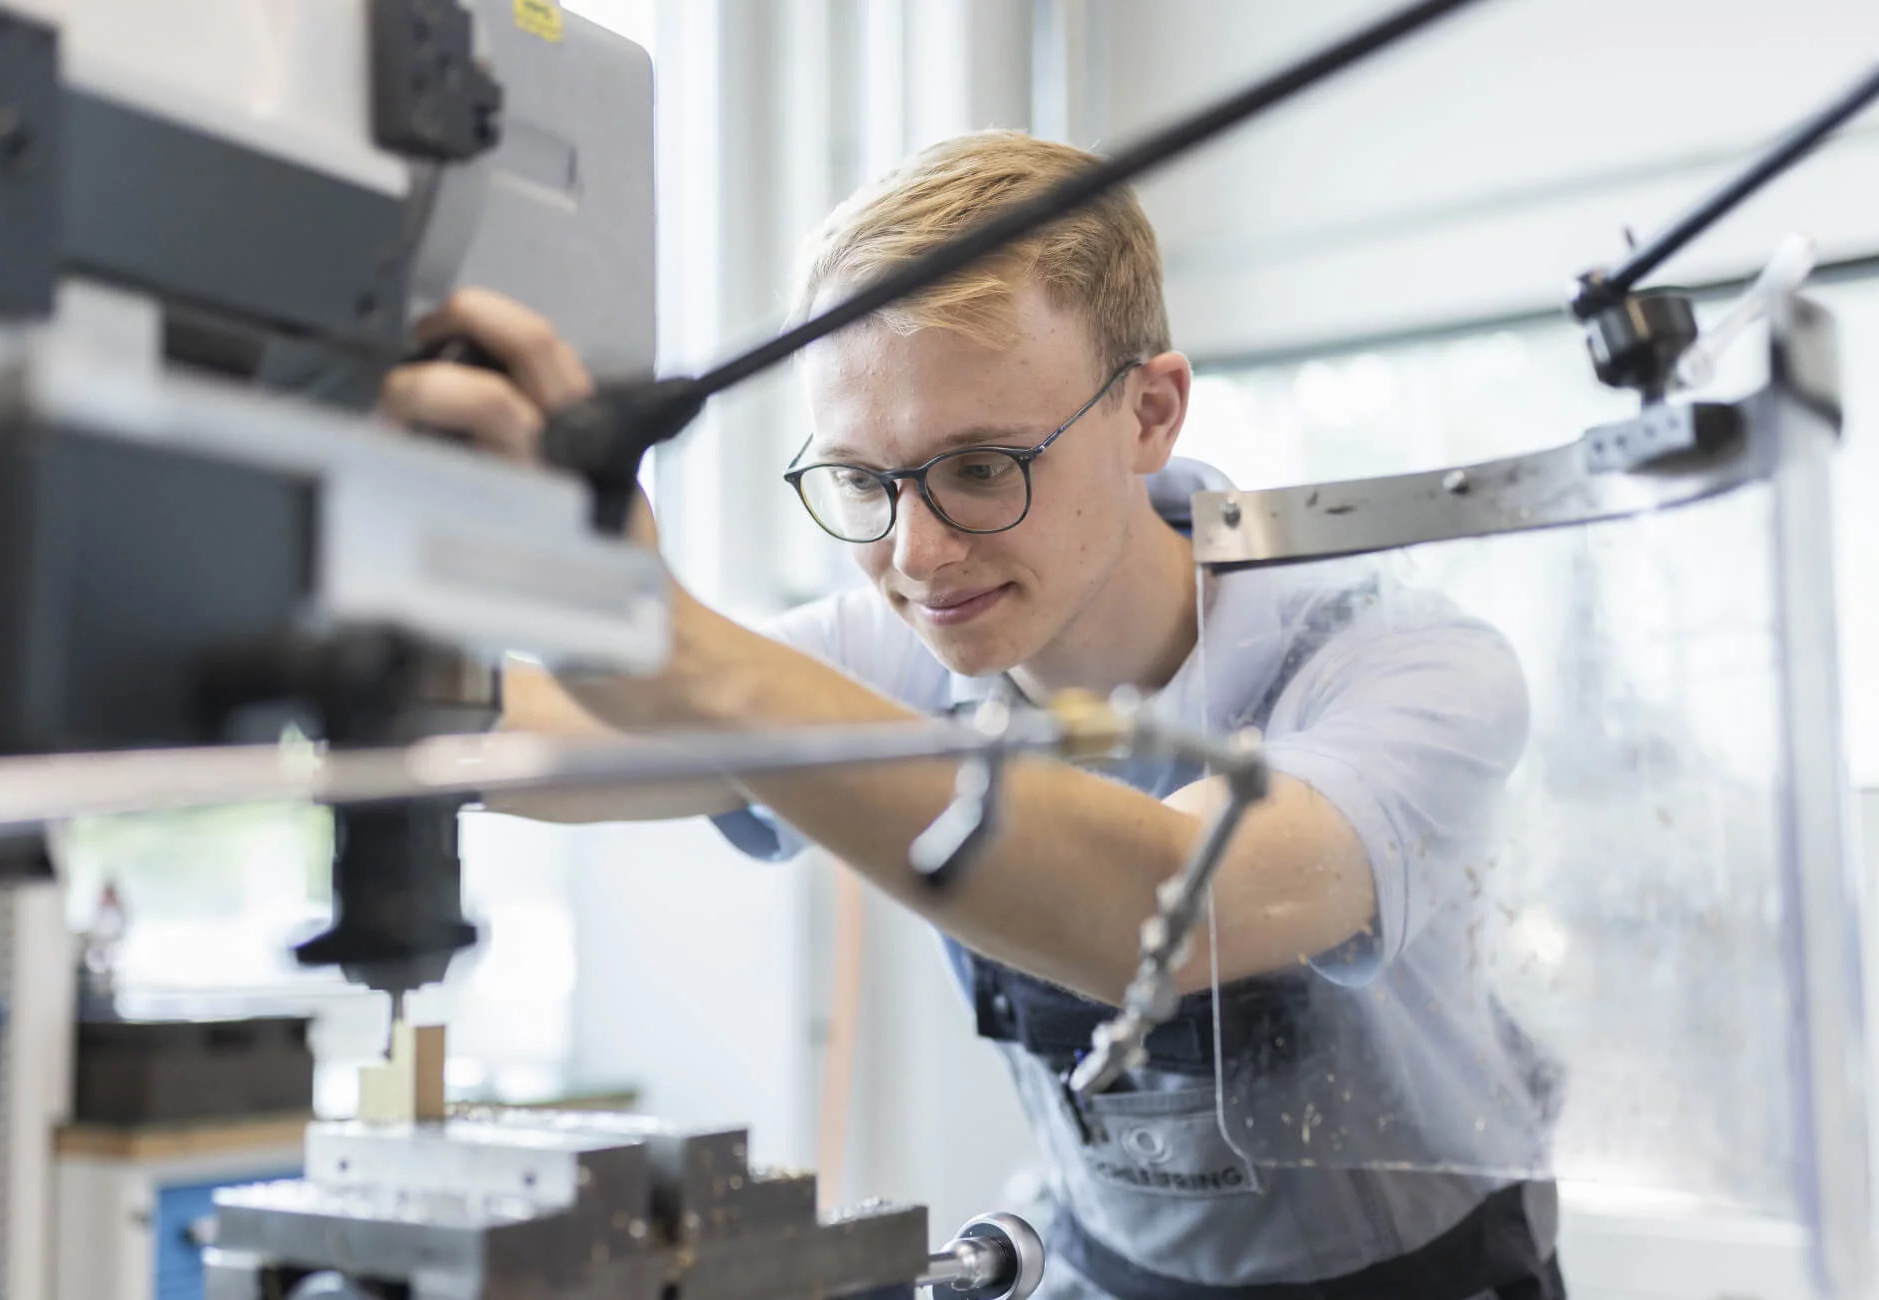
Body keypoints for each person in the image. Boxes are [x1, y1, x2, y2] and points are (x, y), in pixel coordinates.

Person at [380, 130, 1562, 1300]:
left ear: (1149, 413)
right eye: (860, 481)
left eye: (985, 468)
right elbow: (551, 733)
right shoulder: (900, 643)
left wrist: (671, 644)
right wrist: (309, 627)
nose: (918, 555)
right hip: (1106, 1266)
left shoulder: (1399, 664)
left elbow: (1159, 910)